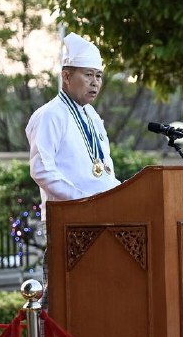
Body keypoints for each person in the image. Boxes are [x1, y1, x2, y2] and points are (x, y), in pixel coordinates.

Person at [25, 32, 121, 218]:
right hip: (70, 217)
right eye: (88, 75)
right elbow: (41, 169)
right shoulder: (50, 114)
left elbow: (105, 169)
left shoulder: (92, 115)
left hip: (103, 213)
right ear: (66, 76)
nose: (95, 83)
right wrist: (83, 201)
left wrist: (121, 195)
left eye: (99, 76)